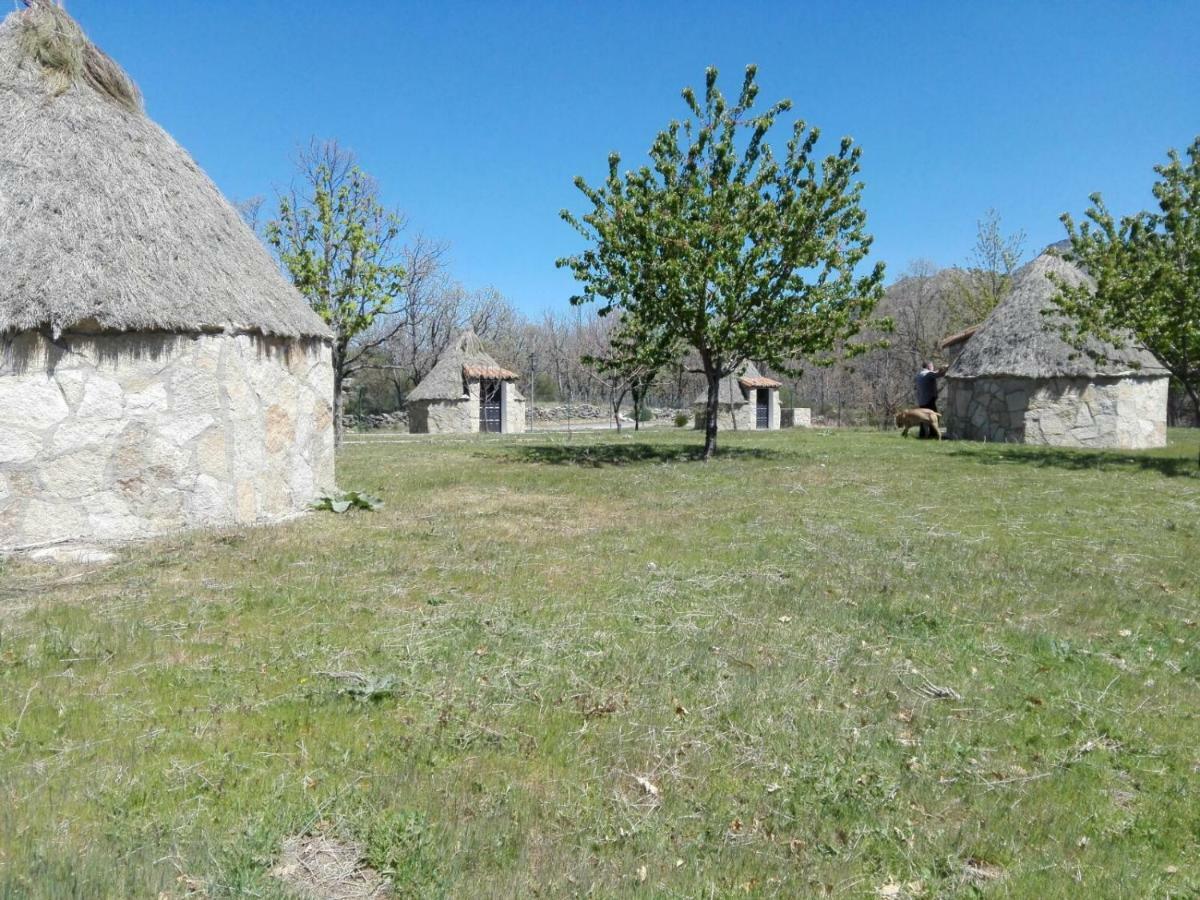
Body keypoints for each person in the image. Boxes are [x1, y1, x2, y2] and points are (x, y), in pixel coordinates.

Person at [914, 361, 947, 438]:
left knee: (922, 418)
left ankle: (922, 435)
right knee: (934, 417)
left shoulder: (919, 374)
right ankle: (933, 434)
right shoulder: (928, 374)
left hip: (921, 400)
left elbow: (935, 372)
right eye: (932, 366)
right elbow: (939, 374)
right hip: (929, 400)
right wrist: (945, 368)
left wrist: (939, 369)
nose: (933, 367)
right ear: (929, 366)